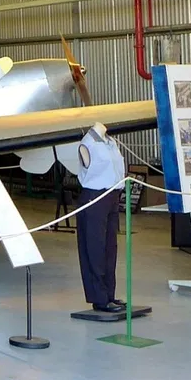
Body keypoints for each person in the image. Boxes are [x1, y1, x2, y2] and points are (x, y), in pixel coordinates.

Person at [74, 122, 127, 314]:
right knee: (94, 248)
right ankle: (99, 298)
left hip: (112, 196)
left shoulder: (110, 141)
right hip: (94, 197)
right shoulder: (87, 143)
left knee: (110, 247)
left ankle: (109, 294)